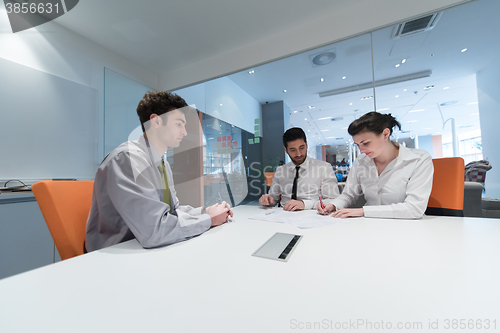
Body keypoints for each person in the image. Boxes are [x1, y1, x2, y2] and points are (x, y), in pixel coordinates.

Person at [85, 91, 233, 252]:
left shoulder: (162, 163)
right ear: (155, 121)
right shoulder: (128, 159)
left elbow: (173, 211)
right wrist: (209, 219)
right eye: (179, 124)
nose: (184, 132)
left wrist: (207, 211)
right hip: (115, 253)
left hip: (144, 248)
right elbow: (154, 231)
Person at [317, 112, 433, 219]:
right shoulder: (361, 161)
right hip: (369, 224)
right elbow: (348, 195)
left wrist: (364, 211)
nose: (361, 150)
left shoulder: (418, 159)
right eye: (357, 145)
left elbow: (414, 208)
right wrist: (332, 205)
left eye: (365, 143)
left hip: (406, 225)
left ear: (385, 134)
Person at [259, 127, 339, 211]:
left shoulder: (324, 168)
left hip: (311, 214)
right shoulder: (280, 170)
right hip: (284, 215)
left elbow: (333, 201)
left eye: (301, 148)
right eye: (293, 150)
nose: (299, 154)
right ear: (286, 150)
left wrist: (305, 204)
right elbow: (273, 199)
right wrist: (267, 199)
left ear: (306, 145)